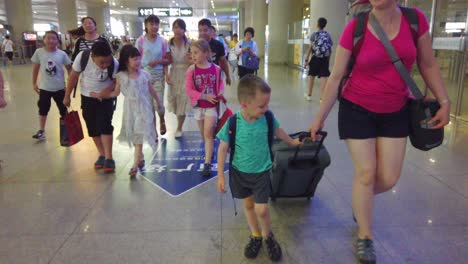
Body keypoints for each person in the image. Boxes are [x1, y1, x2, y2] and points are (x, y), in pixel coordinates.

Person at [308, 1, 451, 263]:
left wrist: (444, 101)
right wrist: (319, 118)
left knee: (388, 177)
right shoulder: (356, 28)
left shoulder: (415, 21)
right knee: (366, 172)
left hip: (395, 109)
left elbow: (428, 64)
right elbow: (337, 76)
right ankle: (365, 236)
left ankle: (360, 200)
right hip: (356, 109)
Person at [216, 75, 301, 262]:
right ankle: (255, 235)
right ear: (244, 104)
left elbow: (279, 131)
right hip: (240, 172)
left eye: (267, 105)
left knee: (261, 209)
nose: (266, 109)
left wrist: (292, 142)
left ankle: (267, 236)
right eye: (262, 106)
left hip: (262, 171)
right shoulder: (233, 123)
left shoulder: (267, 118)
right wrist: (220, 176)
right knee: (248, 205)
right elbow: (222, 149)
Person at [90, 45, 161, 178]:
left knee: (139, 135)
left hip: (143, 108)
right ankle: (140, 157)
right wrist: (101, 95)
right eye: (134, 59)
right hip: (130, 110)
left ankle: (134, 165)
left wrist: (159, 102)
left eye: (139, 58)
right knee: (135, 134)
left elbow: (152, 90)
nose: (138, 61)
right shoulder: (121, 76)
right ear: (126, 61)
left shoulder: (145, 74)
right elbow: (115, 93)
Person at [64, 41, 119, 173]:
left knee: (105, 125)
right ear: (93, 57)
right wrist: (67, 95)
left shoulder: (114, 63)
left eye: (108, 62)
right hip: (87, 98)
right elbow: (73, 77)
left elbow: (116, 81)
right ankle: (101, 154)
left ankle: (109, 158)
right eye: (102, 63)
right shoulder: (82, 57)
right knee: (92, 127)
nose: (105, 65)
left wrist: (104, 92)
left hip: (105, 99)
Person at [185, 39, 224, 177]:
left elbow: (220, 85)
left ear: (206, 53)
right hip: (198, 106)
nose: (193, 56)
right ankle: (209, 149)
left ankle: (207, 163)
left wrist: (220, 94)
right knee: (203, 134)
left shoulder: (216, 69)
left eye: (196, 53)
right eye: (191, 53)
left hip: (211, 106)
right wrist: (204, 96)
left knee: (208, 133)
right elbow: (189, 90)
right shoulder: (191, 70)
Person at [31, 30, 72, 140]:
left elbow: (69, 69)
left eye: (53, 38)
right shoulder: (39, 52)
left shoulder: (62, 54)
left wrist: (69, 85)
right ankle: (42, 131)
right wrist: (34, 83)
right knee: (43, 109)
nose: (51, 40)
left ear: (57, 41)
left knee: (63, 110)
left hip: (60, 88)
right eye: (48, 38)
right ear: (44, 40)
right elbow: (36, 68)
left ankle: (67, 132)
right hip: (44, 88)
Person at [136, 15, 171, 137]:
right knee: (149, 106)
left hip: (158, 77)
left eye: (156, 24)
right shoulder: (140, 41)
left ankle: (162, 119)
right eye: (151, 24)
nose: (154, 27)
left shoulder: (163, 41)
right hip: (144, 77)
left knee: (159, 104)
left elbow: (168, 60)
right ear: (146, 25)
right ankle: (154, 132)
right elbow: (135, 59)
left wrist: (164, 71)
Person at [166, 19, 191, 138]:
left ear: (184, 30)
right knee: (175, 101)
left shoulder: (189, 44)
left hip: (187, 74)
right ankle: (178, 122)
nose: (177, 30)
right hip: (174, 73)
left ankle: (179, 127)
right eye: (175, 27)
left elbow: (194, 60)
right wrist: (166, 75)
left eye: (180, 27)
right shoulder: (168, 44)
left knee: (183, 100)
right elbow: (165, 61)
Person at [304, 17, 333, 101]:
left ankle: (309, 95)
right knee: (324, 78)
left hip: (315, 58)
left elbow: (310, 48)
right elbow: (330, 50)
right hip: (324, 59)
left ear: (317, 24)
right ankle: (322, 98)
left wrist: (306, 60)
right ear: (325, 25)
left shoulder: (314, 34)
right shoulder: (327, 35)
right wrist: (328, 59)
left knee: (312, 76)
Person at [198, 19, 231, 86]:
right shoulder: (196, 45)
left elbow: (223, 61)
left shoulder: (218, 45)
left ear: (210, 30)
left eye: (205, 30)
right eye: (200, 30)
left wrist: (228, 76)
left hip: (215, 77)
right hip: (199, 78)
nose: (202, 33)